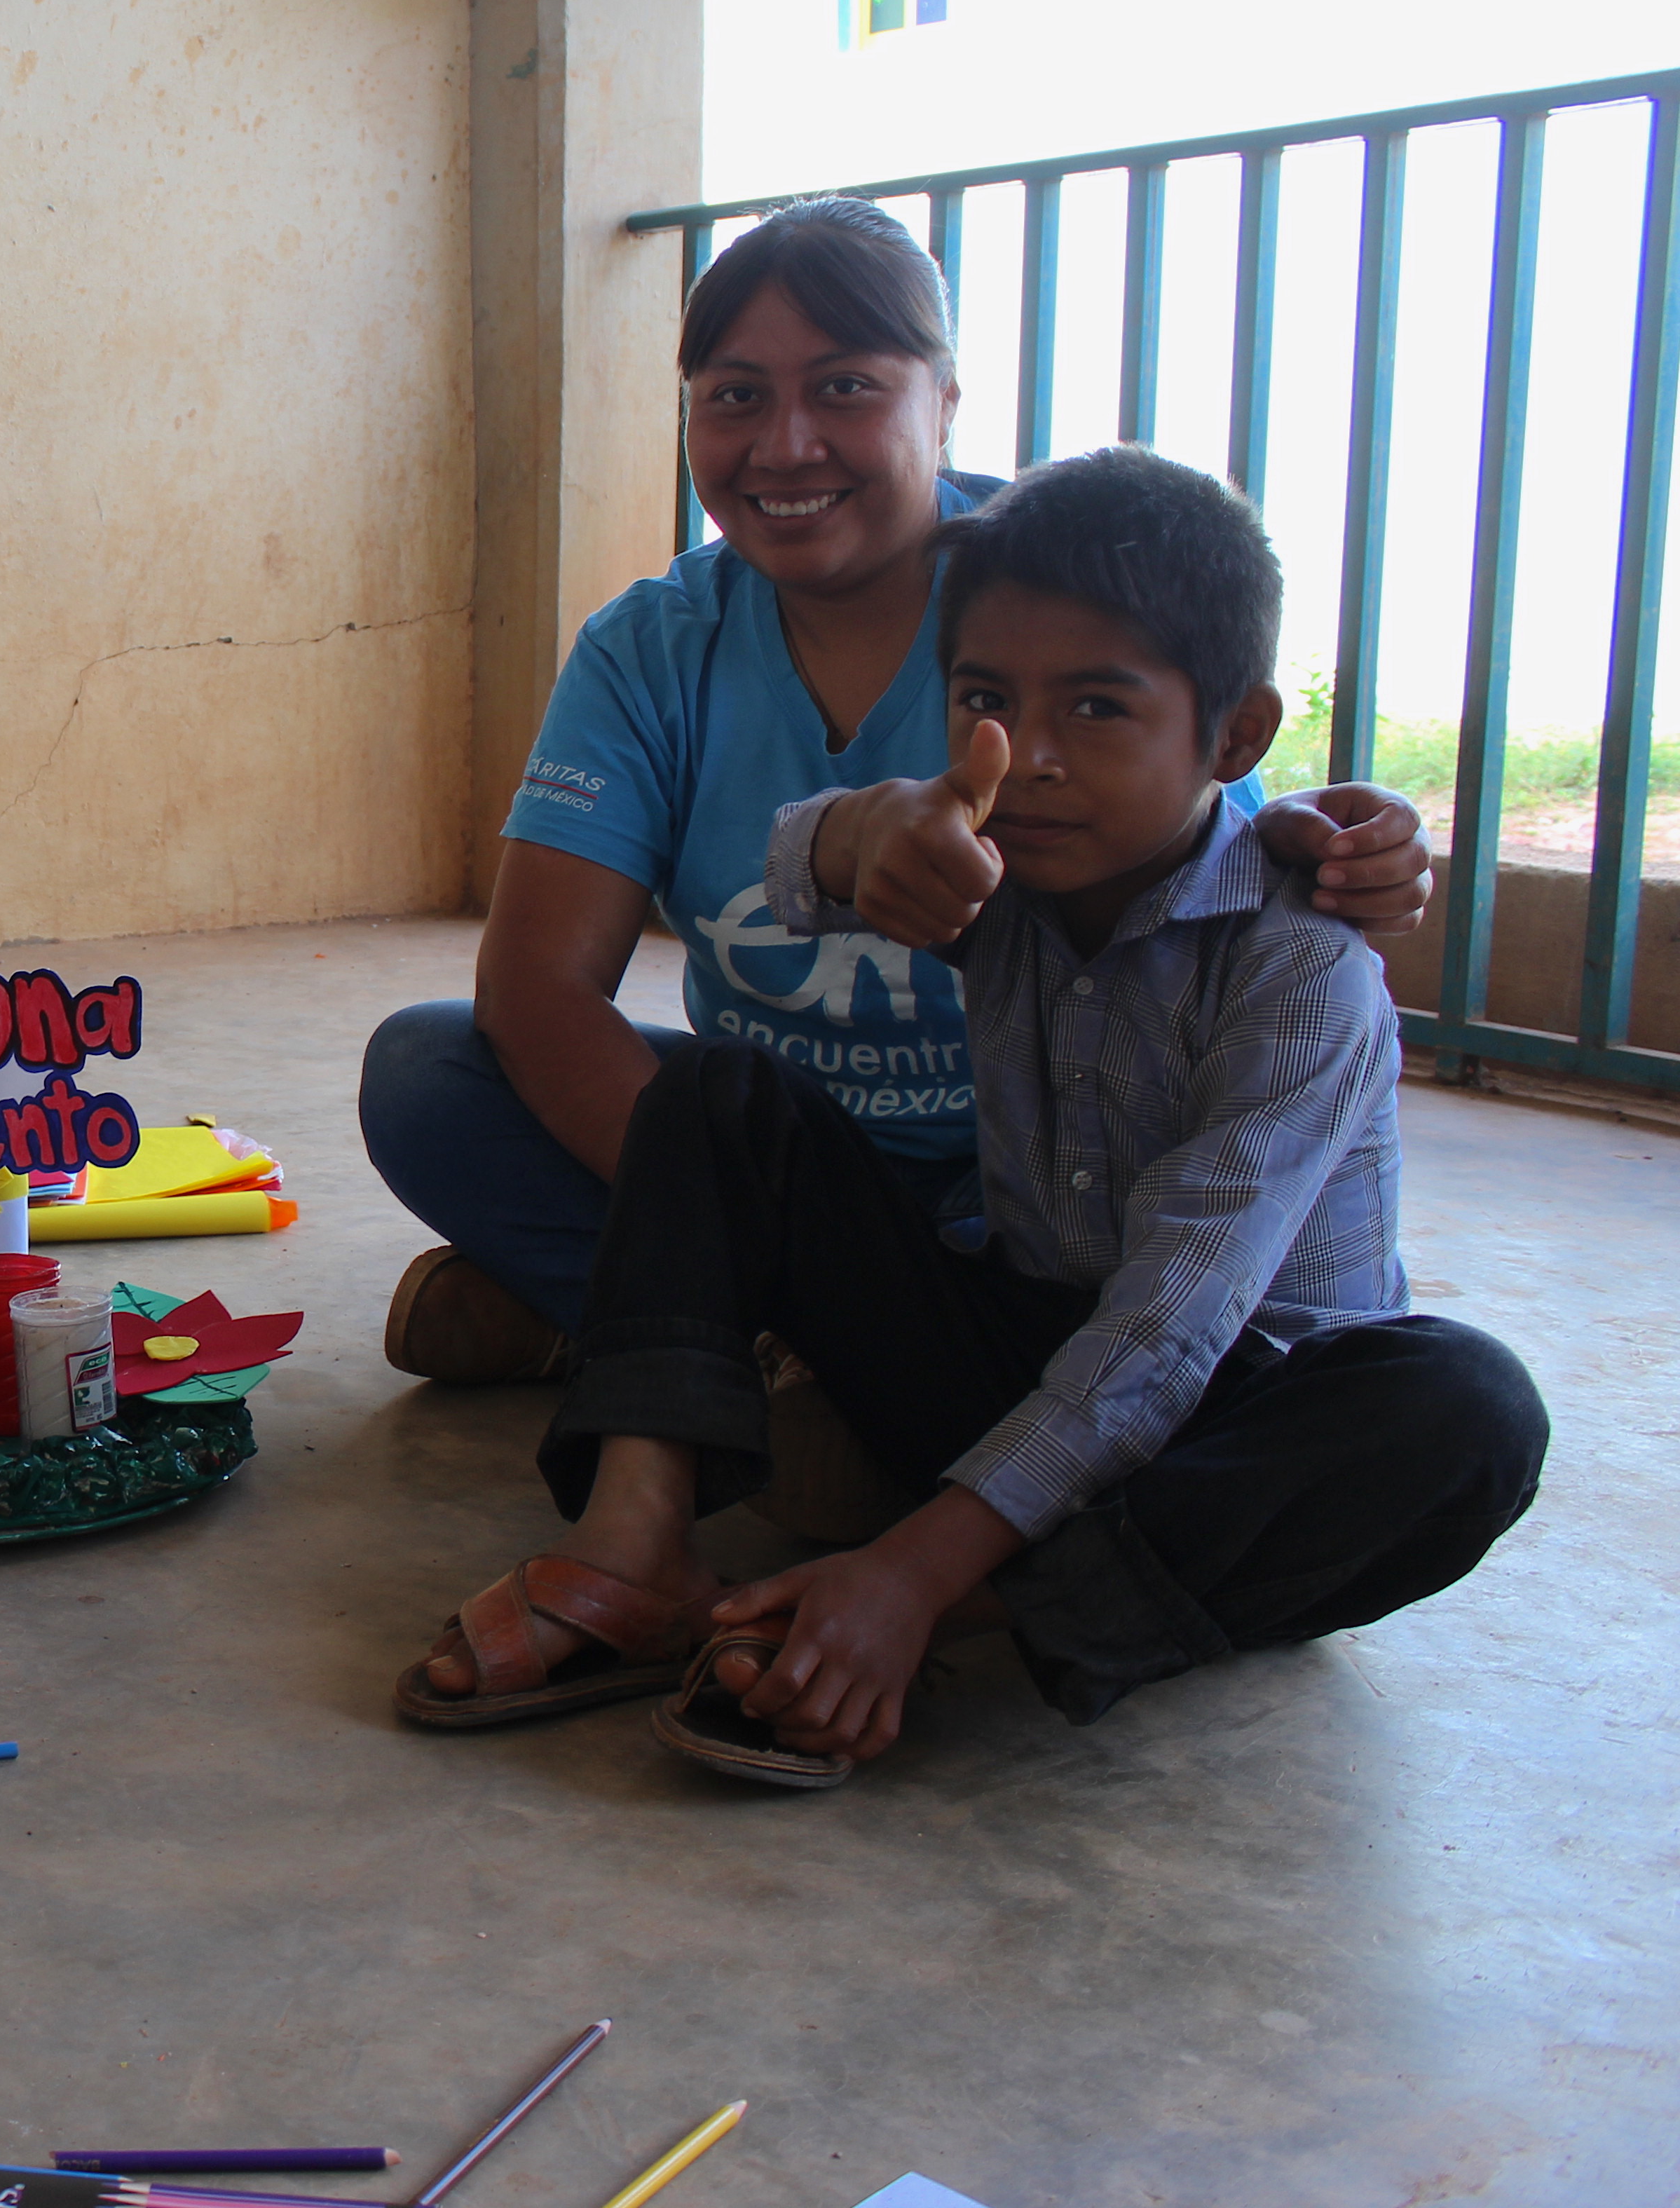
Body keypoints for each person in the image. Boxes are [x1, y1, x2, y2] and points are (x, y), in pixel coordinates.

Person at [393, 446, 1545, 1779]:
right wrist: (871, 829)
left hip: (1232, 1434)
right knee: (720, 1093)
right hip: (1017, 1347)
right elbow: (799, 869)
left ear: (1232, 736)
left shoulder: (1301, 970)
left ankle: (950, 1602)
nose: (1032, 757)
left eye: (1099, 709)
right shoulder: (1004, 881)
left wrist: (909, 1571)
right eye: (987, 699)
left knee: (1466, 1406)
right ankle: (639, 1543)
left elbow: (1171, 1334)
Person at [357, 197, 1433, 1393]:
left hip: (1040, 1171)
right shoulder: (650, 650)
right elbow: (538, 988)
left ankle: (687, 1350)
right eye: (734, 395)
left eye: (847, 387)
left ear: (946, 397)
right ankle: (788, 1354)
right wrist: (745, 1231)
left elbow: (1200, 855)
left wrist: (1320, 849)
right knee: (429, 1075)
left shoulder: (1052, 587)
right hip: (784, 1164)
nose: (785, 445)